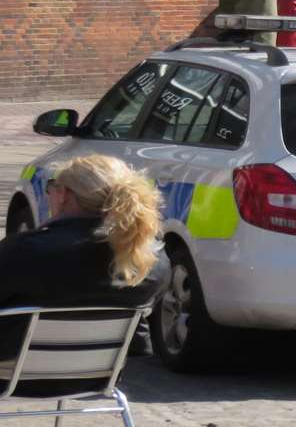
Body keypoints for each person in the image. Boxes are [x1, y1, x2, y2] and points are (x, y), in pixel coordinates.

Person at [0, 154, 169, 362]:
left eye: (51, 186)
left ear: (64, 195)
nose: (48, 194)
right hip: (95, 376)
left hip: (12, 376)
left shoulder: (24, 250)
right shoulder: (149, 258)